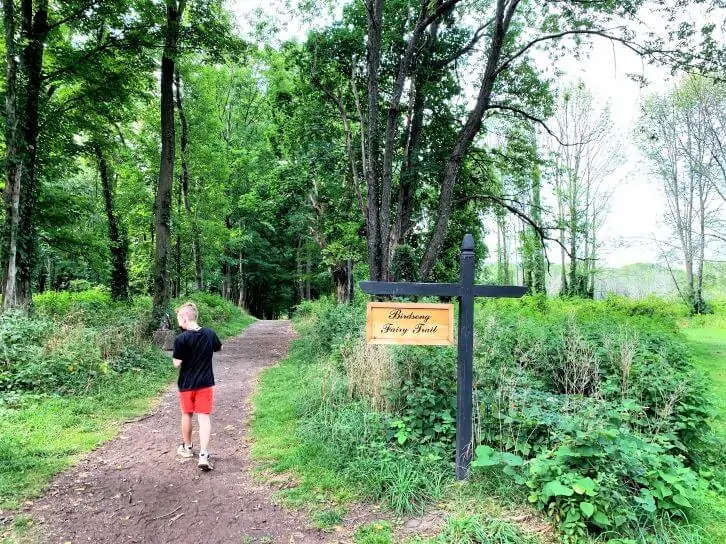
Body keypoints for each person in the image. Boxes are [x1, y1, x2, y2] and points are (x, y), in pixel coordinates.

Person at [172, 302, 222, 471]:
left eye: (179, 318)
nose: (178, 322)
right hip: (205, 383)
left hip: (186, 384)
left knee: (186, 414)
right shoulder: (209, 333)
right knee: (204, 417)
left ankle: (187, 448)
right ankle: (203, 454)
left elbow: (176, 363)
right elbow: (219, 348)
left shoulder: (181, 339)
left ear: (185, 317)